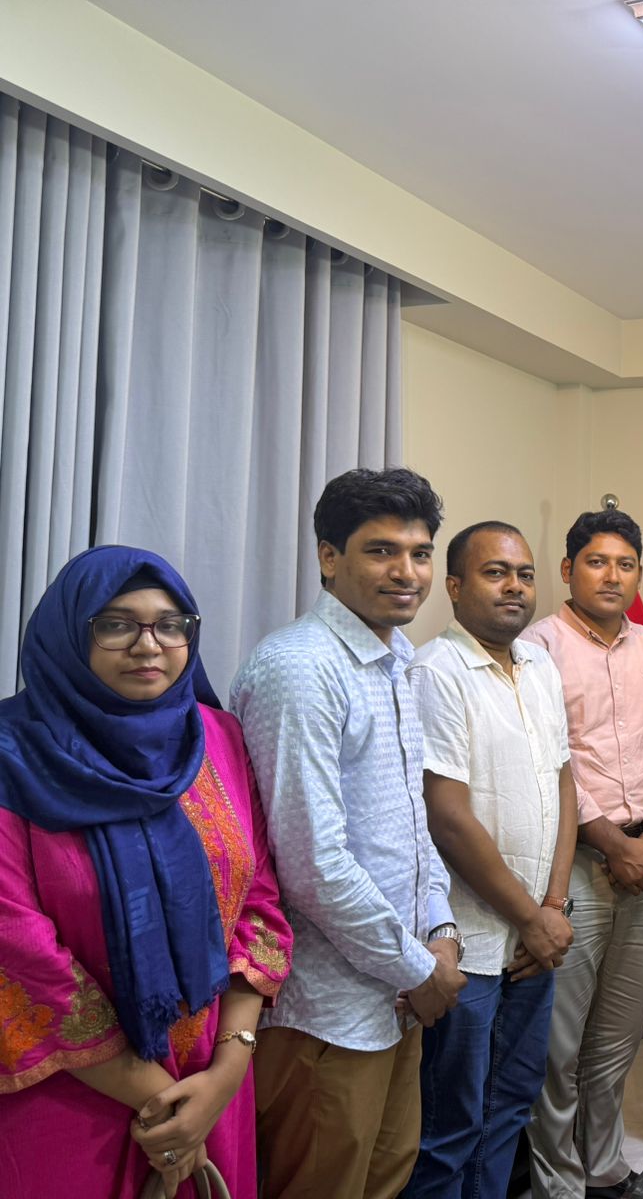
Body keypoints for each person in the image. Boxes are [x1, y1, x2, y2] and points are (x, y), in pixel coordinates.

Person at [0, 546, 292, 1199]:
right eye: (116, 624)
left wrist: (225, 1072)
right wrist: (160, 1098)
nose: (148, 644)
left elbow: (259, 905)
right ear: (70, 633)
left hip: (210, 1081)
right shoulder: (12, 754)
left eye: (170, 624)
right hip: (70, 1096)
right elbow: (15, 945)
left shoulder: (216, 738)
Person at [233, 467, 467, 1199]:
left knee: (385, 1180)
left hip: (397, 997)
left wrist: (441, 932)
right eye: (381, 551)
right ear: (329, 557)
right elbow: (312, 865)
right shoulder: (299, 668)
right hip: (327, 1012)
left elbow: (411, 824)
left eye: (420, 553)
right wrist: (419, 969)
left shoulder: (396, 659)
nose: (407, 572)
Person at [404, 521, 578, 1199]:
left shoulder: (539, 667)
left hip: (534, 943)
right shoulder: (435, 672)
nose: (514, 586)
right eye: (495, 572)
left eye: (525, 574)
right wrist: (531, 918)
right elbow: (447, 816)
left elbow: (563, 781)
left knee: (509, 1107)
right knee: (449, 1127)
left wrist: (552, 908)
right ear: (454, 586)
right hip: (470, 945)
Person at [523, 509, 643, 1199]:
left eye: (625, 565)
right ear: (568, 570)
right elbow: (550, 758)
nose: (612, 576)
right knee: (560, 1041)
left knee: (619, 1033)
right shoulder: (538, 646)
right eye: (597, 562)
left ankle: (604, 1166)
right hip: (578, 866)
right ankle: (559, 1182)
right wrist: (613, 842)